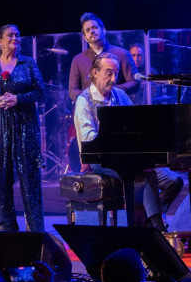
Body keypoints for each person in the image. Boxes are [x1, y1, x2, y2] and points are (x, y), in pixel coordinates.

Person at [74, 53, 183, 230]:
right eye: (108, 73)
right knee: (142, 175)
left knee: (174, 181)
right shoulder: (83, 101)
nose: (113, 78)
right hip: (102, 161)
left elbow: (137, 123)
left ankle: (148, 221)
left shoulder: (120, 95)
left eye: (115, 74)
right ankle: (158, 228)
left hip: (130, 158)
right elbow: (88, 139)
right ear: (95, 72)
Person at [0, 24, 46, 232]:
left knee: (29, 177)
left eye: (17, 35)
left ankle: (35, 229)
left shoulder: (28, 63)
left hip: (24, 126)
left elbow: (40, 92)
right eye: (10, 35)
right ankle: (6, 227)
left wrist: (18, 98)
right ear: (0, 40)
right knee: (0, 177)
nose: (15, 38)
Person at [68, 12, 140, 102]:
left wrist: (112, 90)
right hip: (89, 112)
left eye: (94, 27)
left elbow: (135, 82)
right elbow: (72, 91)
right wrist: (91, 96)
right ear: (85, 38)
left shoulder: (122, 54)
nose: (92, 31)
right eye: (88, 30)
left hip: (117, 108)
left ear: (104, 30)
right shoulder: (78, 60)